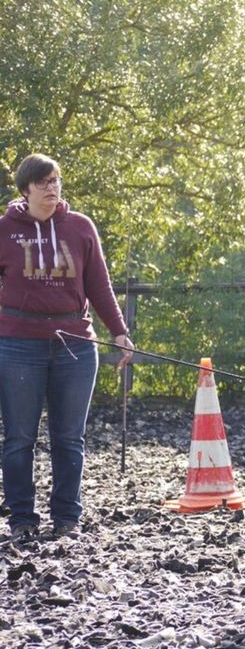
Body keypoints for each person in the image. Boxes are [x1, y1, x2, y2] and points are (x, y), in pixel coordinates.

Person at [0, 153, 134, 540]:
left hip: (75, 344)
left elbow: (99, 285)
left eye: (56, 180)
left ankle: (66, 519)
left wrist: (119, 331)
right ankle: (22, 519)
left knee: (69, 436)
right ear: (25, 189)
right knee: (19, 436)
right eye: (43, 182)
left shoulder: (80, 227)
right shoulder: (5, 229)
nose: (52, 188)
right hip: (17, 344)